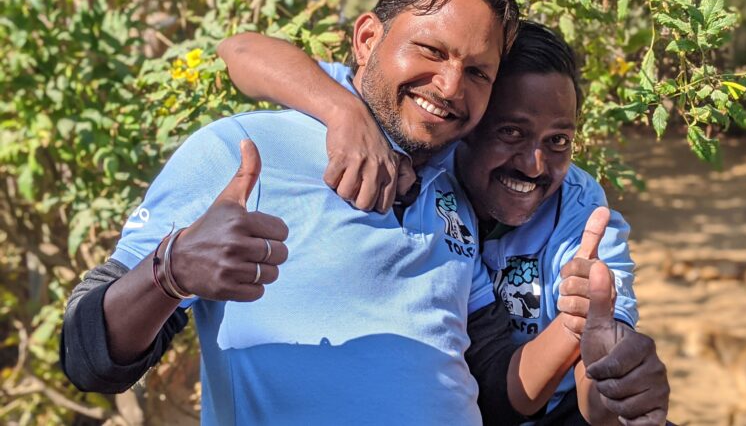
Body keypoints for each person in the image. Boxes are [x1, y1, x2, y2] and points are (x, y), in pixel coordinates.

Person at [220, 21, 669, 424]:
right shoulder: (427, 159)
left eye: (558, 140)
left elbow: (597, 399)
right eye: (510, 132)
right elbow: (240, 49)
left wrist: (600, 353)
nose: (535, 165)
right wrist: (344, 112)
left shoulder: (581, 210)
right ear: (466, 122)